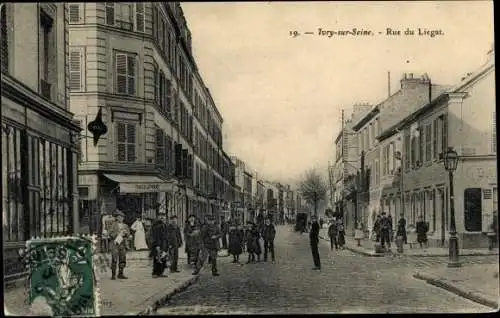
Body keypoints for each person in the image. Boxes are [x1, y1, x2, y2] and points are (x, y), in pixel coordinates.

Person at [108, 210, 130, 280]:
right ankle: (113, 275)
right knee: (114, 259)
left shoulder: (125, 225)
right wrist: (117, 234)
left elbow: (128, 235)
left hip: (122, 244)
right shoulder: (113, 225)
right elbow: (110, 234)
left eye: (122, 217)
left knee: (122, 259)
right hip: (115, 244)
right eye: (120, 217)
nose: (121, 218)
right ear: (117, 218)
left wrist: (126, 234)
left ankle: (121, 273)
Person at [150, 213, 169, 278]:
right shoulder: (155, 225)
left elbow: (167, 236)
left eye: (163, 216)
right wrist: (157, 245)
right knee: (157, 258)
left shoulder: (165, 225)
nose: (162, 217)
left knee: (163, 258)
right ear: (158, 217)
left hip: (164, 244)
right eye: (160, 216)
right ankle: (155, 273)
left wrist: (167, 245)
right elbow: (155, 236)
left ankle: (161, 272)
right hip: (158, 244)